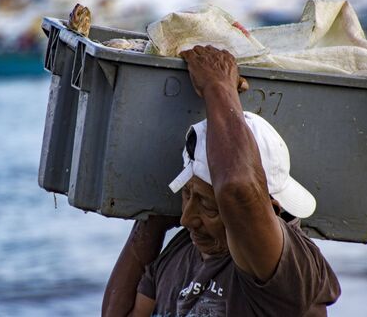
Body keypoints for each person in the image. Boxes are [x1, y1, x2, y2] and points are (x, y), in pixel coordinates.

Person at [102, 45, 340, 317]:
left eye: (209, 206)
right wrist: (151, 223)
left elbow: (238, 189)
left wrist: (218, 85)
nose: (186, 219)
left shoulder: (286, 269)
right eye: (187, 194)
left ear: (271, 209)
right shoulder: (182, 251)